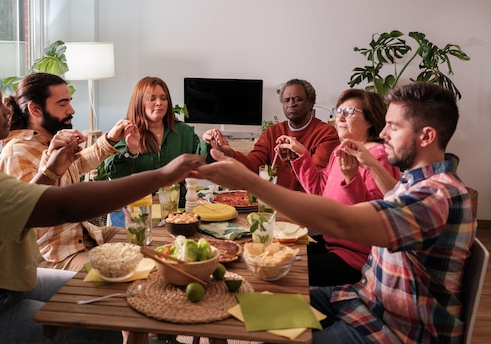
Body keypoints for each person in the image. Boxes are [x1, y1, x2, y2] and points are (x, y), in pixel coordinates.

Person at [0, 61, 204, 344]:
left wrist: (52, 169)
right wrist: (161, 176)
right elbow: (62, 206)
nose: (6, 110)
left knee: (112, 298)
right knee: (102, 327)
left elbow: (26, 201)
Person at [197, 82, 476, 344]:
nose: (382, 133)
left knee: (275, 324)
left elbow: (342, 220)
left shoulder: (437, 195)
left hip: (397, 328)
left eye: (393, 126)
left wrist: (249, 182)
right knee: (253, 307)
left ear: (426, 136)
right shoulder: (414, 182)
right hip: (363, 298)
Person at [0, 72, 135, 272]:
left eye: (69, 102)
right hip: (57, 254)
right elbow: (32, 219)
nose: (72, 110)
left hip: (86, 235)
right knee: (126, 268)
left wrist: (110, 139)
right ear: (35, 109)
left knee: (145, 238)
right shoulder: (16, 153)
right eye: (62, 104)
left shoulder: (47, 140)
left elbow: (77, 166)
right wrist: (49, 162)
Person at [280, 89, 400, 286]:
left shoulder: (377, 155)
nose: (341, 116)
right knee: (277, 253)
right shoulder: (340, 150)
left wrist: (352, 178)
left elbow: (374, 219)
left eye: (350, 111)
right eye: (339, 110)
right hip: (332, 243)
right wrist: (301, 156)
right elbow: (319, 191)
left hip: (356, 258)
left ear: (370, 120)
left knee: (286, 269)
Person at [101, 76, 211, 226]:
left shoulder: (183, 131)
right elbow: (115, 175)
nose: (159, 103)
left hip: (176, 209)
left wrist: (208, 141)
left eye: (163, 98)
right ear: (139, 103)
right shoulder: (125, 131)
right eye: (152, 98)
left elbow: (201, 162)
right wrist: (132, 150)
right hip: (134, 209)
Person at [202, 78, 339, 192]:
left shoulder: (326, 133)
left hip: (306, 207)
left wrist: (296, 159)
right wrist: (229, 152)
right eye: (287, 100)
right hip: (273, 203)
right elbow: (253, 166)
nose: (291, 104)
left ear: (310, 103)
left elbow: (317, 181)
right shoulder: (272, 132)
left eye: (297, 99)